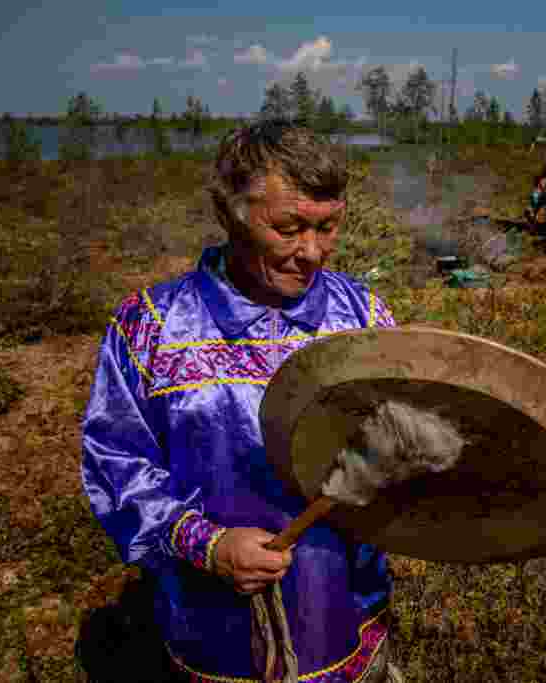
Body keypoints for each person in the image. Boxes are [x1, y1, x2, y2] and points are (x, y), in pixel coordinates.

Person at [81, 121, 405, 683]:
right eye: (288, 228)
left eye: (329, 228)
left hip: (342, 608)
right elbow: (116, 461)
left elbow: (396, 442)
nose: (312, 253)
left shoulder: (363, 318)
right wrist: (207, 544)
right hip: (212, 626)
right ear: (228, 211)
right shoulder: (152, 326)